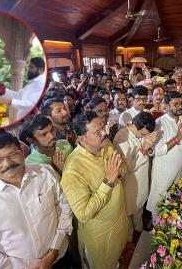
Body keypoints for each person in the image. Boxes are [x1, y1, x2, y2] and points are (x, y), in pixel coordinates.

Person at [0, 132, 73, 268]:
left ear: (22, 153)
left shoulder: (45, 173)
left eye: (12, 154)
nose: (7, 163)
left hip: (60, 258)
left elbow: (63, 208)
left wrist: (54, 251)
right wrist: (32, 265)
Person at [61, 111, 128, 269]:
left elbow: (123, 166)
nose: (105, 133)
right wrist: (109, 181)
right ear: (81, 138)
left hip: (119, 220)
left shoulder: (106, 145)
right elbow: (84, 213)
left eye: (103, 128)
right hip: (100, 235)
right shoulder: (73, 169)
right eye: (98, 132)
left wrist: (118, 172)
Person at [147, 91, 182, 218]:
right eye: (176, 104)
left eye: (181, 103)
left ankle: (171, 228)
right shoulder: (159, 123)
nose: (180, 106)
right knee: (158, 205)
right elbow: (158, 151)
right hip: (163, 171)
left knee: (174, 201)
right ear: (167, 105)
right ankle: (156, 229)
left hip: (179, 170)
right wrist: (178, 137)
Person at [113, 112, 158, 240]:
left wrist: (148, 147)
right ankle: (129, 240)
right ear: (135, 126)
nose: (145, 136)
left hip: (142, 180)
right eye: (143, 134)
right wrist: (144, 147)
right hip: (130, 183)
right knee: (129, 213)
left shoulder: (142, 132)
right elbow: (127, 167)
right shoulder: (122, 138)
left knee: (139, 210)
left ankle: (139, 230)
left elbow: (149, 150)